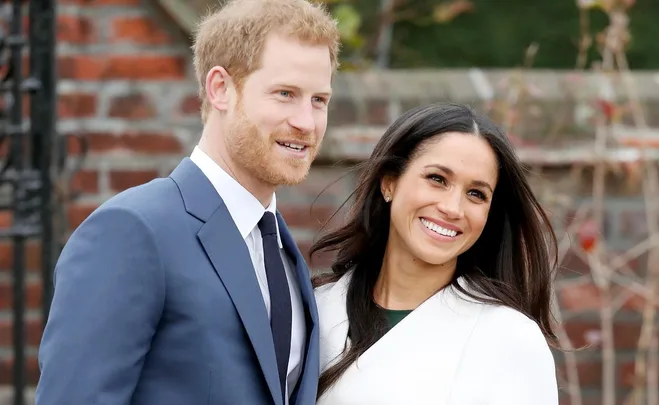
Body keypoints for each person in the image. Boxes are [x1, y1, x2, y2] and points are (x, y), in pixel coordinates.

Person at [35, 1, 340, 404]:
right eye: (285, 94)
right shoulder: (132, 231)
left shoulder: (281, 250)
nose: (307, 122)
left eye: (319, 100)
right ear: (220, 89)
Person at [310, 103, 560, 404]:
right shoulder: (314, 311)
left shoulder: (510, 339)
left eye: (476, 194)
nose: (452, 208)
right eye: (437, 179)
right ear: (389, 183)